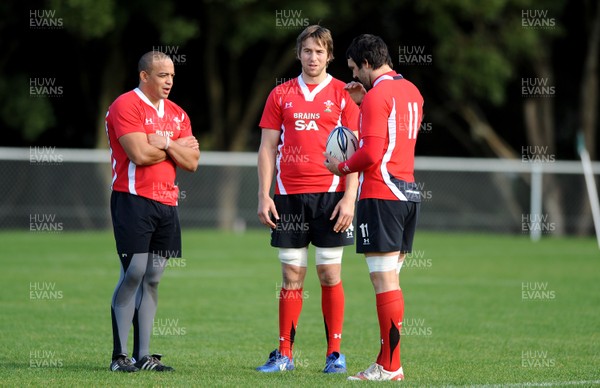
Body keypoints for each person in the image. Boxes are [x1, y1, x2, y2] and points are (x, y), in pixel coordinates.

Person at [256, 25, 360, 374]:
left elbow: (355, 153)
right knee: (291, 275)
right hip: (288, 199)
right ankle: (284, 354)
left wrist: (349, 199)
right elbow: (268, 147)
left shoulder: (344, 95)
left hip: (331, 197)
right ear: (298, 54)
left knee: (329, 274)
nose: (312, 57)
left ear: (329, 55)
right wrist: (264, 194)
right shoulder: (280, 94)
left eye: (319, 51)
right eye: (307, 51)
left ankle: (335, 354)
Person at [324, 34, 424, 381]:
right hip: (408, 193)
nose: (352, 74)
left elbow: (370, 153)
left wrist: (341, 167)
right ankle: (387, 363)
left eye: (353, 67)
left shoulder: (376, 96)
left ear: (366, 63)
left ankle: (391, 366)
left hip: (381, 194)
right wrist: (365, 100)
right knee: (390, 281)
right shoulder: (411, 90)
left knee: (383, 282)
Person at [105, 50, 200, 372]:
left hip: (167, 204)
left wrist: (165, 142)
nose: (169, 81)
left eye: (172, 76)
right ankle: (120, 357)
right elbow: (139, 155)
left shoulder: (178, 113)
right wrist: (175, 147)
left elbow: (192, 162)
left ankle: (144, 356)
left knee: (154, 277)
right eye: (162, 75)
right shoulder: (125, 105)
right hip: (132, 200)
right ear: (144, 76)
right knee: (133, 272)